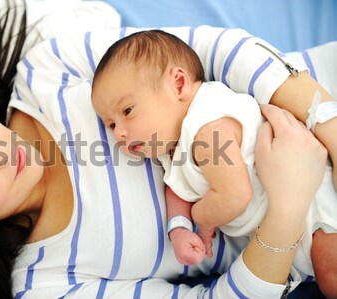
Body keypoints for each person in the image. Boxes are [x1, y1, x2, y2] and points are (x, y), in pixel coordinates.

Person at [0, 1, 333, 299]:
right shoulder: (48, 283)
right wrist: (288, 207)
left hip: (315, 92)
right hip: (314, 240)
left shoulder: (46, 71)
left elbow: (208, 52)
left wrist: (327, 124)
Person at [90, 29, 337, 292]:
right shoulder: (173, 145)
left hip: (317, 203)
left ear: (179, 84)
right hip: (293, 218)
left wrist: (202, 220)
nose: (119, 133)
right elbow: (177, 188)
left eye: (128, 111)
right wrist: (179, 227)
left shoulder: (207, 127)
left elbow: (234, 195)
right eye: (111, 124)